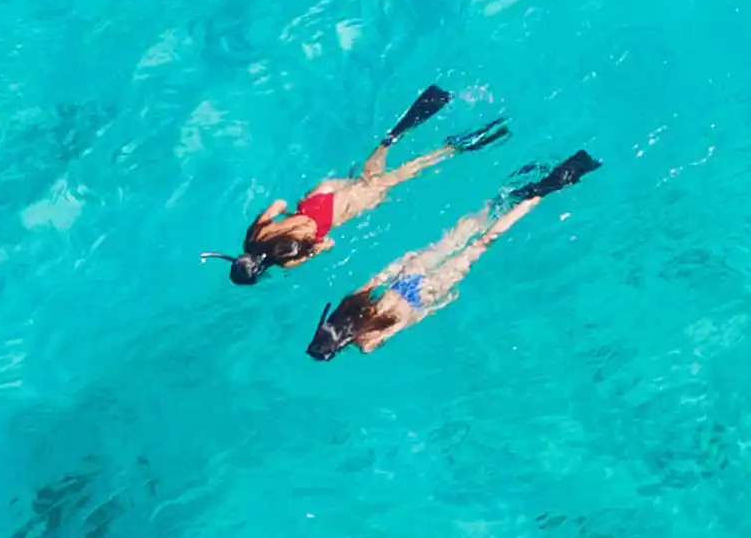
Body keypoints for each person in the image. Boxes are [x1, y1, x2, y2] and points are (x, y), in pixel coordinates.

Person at [308, 153, 597, 359]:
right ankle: (511, 197)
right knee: (463, 231)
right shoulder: (349, 304)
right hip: (408, 275)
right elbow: (377, 277)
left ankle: (547, 188)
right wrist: (405, 261)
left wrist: (442, 302)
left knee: (484, 242)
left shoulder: (368, 343)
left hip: (425, 292)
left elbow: (412, 319)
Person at [219, 86, 505, 285]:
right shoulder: (253, 235)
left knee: (405, 172)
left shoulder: (287, 261)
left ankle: (452, 149)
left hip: (336, 213)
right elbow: (279, 204)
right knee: (370, 171)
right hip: (317, 198)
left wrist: (310, 242)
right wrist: (290, 220)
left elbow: (327, 243)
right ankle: (393, 137)